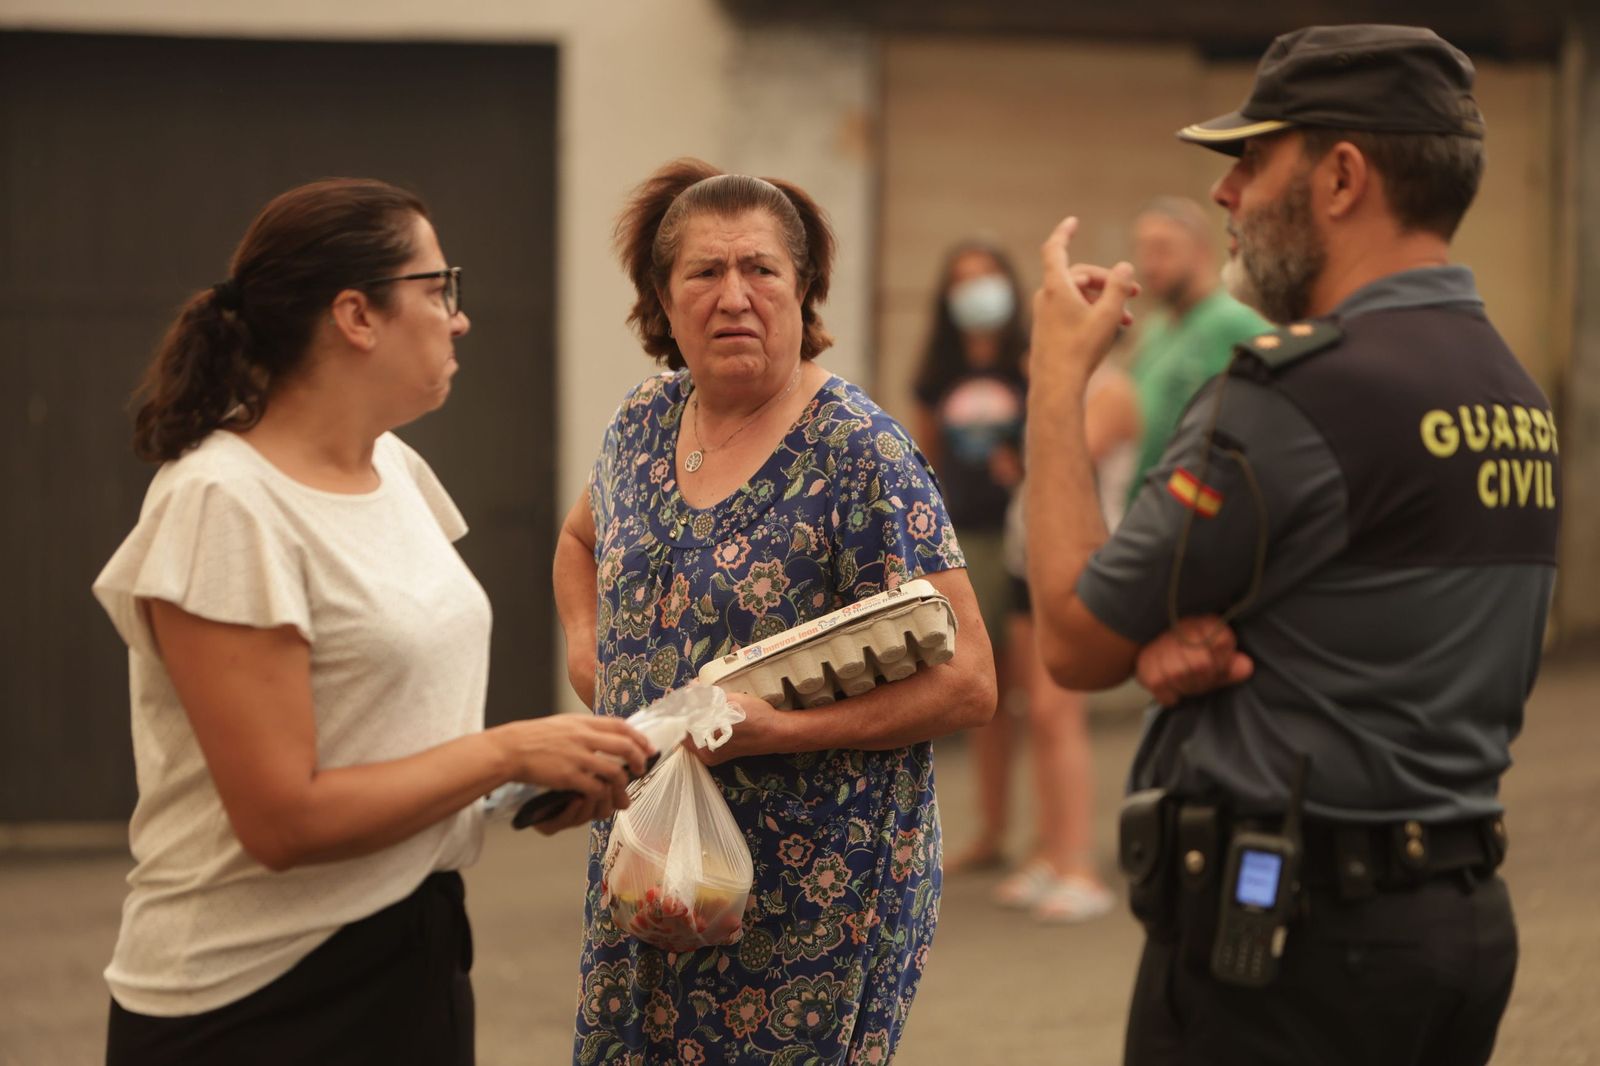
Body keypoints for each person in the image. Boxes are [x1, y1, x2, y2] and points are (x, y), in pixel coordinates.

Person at [1022, 25, 1557, 1066]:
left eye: (1253, 159)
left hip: (1288, 956)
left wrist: (1057, 379)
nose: (1226, 195)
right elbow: (1375, 633)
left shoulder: (1290, 395)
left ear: (1343, 175)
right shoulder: (1511, 389)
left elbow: (1075, 639)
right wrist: (1187, 652)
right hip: (1454, 926)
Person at [91, 178, 653, 1066]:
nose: (458, 318)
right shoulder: (221, 505)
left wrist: (523, 787)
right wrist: (504, 751)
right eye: (438, 289)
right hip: (253, 999)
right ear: (356, 314)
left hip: (415, 950)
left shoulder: (395, 467)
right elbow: (283, 821)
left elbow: (391, 725)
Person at [556, 159, 996, 1063]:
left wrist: (778, 731)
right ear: (663, 298)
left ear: (804, 291)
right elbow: (576, 542)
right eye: (704, 273)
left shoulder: (859, 454)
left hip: (812, 891)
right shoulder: (642, 422)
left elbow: (971, 685)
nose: (735, 296)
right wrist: (590, 660)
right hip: (652, 860)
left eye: (761, 269)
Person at [987, 355, 1138, 922]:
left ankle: (1081, 866)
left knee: (1060, 712)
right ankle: (1050, 851)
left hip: (1078, 565)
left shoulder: (1110, 391)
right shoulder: (1052, 389)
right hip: (1030, 560)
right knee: (1035, 713)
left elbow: (1063, 459)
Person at [906, 241, 1029, 874]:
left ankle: (1052, 838)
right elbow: (925, 462)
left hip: (1023, 536)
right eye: (964, 281)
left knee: (1041, 690)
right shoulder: (939, 372)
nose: (977, 291)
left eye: (987, 278)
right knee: (991, 690)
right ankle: (993, 830)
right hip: (966, 542)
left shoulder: (1029, 365)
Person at [1124, 197, 1267, 508]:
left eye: (1163, 249)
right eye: (1143, 250)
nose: (1149, 264)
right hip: (1146, 503)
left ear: (1202, 252)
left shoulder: (1232, 323)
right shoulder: (1157, 327)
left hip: (1195, 507)